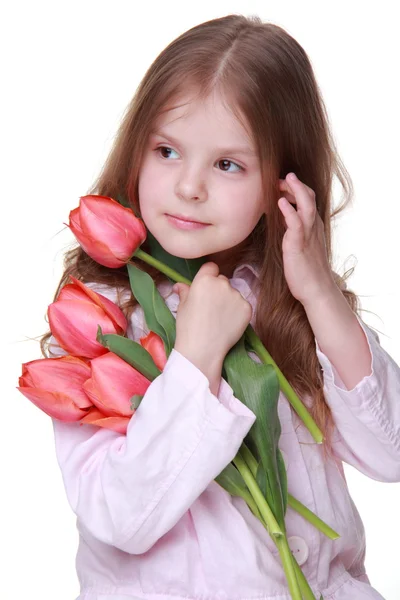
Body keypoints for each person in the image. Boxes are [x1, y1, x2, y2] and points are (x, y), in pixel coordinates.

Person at [40, 13, 400, 600]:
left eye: (228, 163)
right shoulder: (102, 323)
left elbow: (391, 453)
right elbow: (121, 516)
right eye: (166, 151)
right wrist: (195, 358)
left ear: (283, 185)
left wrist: (317, 292)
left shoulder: (288, 302)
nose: (189, 186)